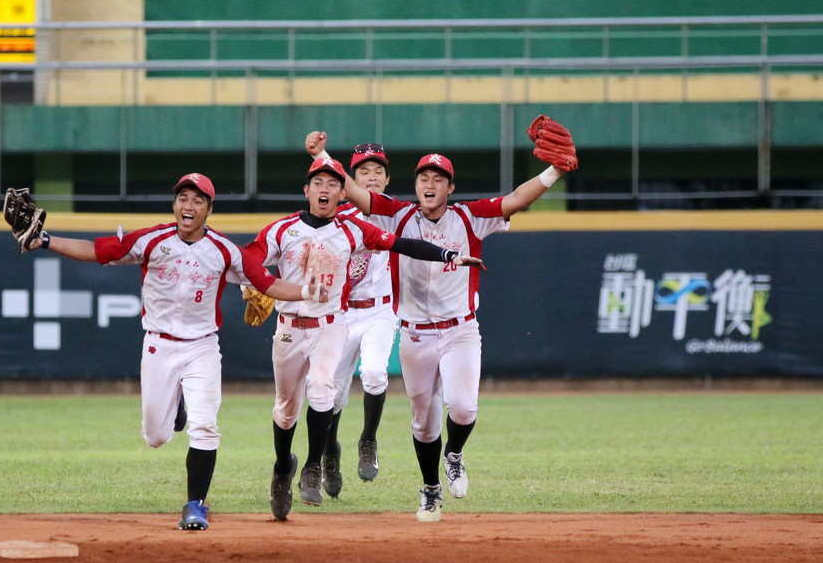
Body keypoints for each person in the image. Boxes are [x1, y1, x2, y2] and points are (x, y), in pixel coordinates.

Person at [14, 172, 327, 531]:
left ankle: (195, 505)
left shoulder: (224, 251)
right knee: (156, 436)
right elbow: (95, 251)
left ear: (209, 209)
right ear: (175, 204)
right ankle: (175, 406)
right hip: (158, 345)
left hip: (202, 347)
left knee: (206, 427)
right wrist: (44, 240)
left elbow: (267, 282)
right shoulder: (150, 240)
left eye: (197, 200)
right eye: (183, 198)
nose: (188, 206)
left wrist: (305, 292)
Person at [307, 115, 578, 522]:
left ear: (450, 188)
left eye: (438, 179)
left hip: (460, 331)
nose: (429, 185)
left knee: (464, 408)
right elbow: (353, 191)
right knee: (422, 423)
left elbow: (517, 199)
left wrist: (554, 170)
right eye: (423, 178)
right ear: (415, 185)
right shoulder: (396, 215)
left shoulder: (470, 217)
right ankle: (430, 488)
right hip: (415, 336)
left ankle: (455, 455)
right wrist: (321, 155)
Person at [244, 156, 483, 521]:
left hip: (334, 322)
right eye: (318, 184)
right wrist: (254, 280)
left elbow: (403, 244)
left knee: (334, 383)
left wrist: (449, 254)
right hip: (291, 327)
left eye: (331, 184)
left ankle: (318, 462)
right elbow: (249, 259)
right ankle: (285, 466)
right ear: (307, 190)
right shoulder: (283, 229)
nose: (325, 190)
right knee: (287, 409)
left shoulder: (356, 228)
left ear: (343, 192)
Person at [304, 142, 398, 493]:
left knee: (374, 372)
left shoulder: (396, 215)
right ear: (350, 182)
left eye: (378, 172)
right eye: (363, 173)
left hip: (381, 311)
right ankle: (329, 452)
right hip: (342, 314)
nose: (371, 178)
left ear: (387, 180)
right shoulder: (338, 220)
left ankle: (368, 441)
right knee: (329, 393)